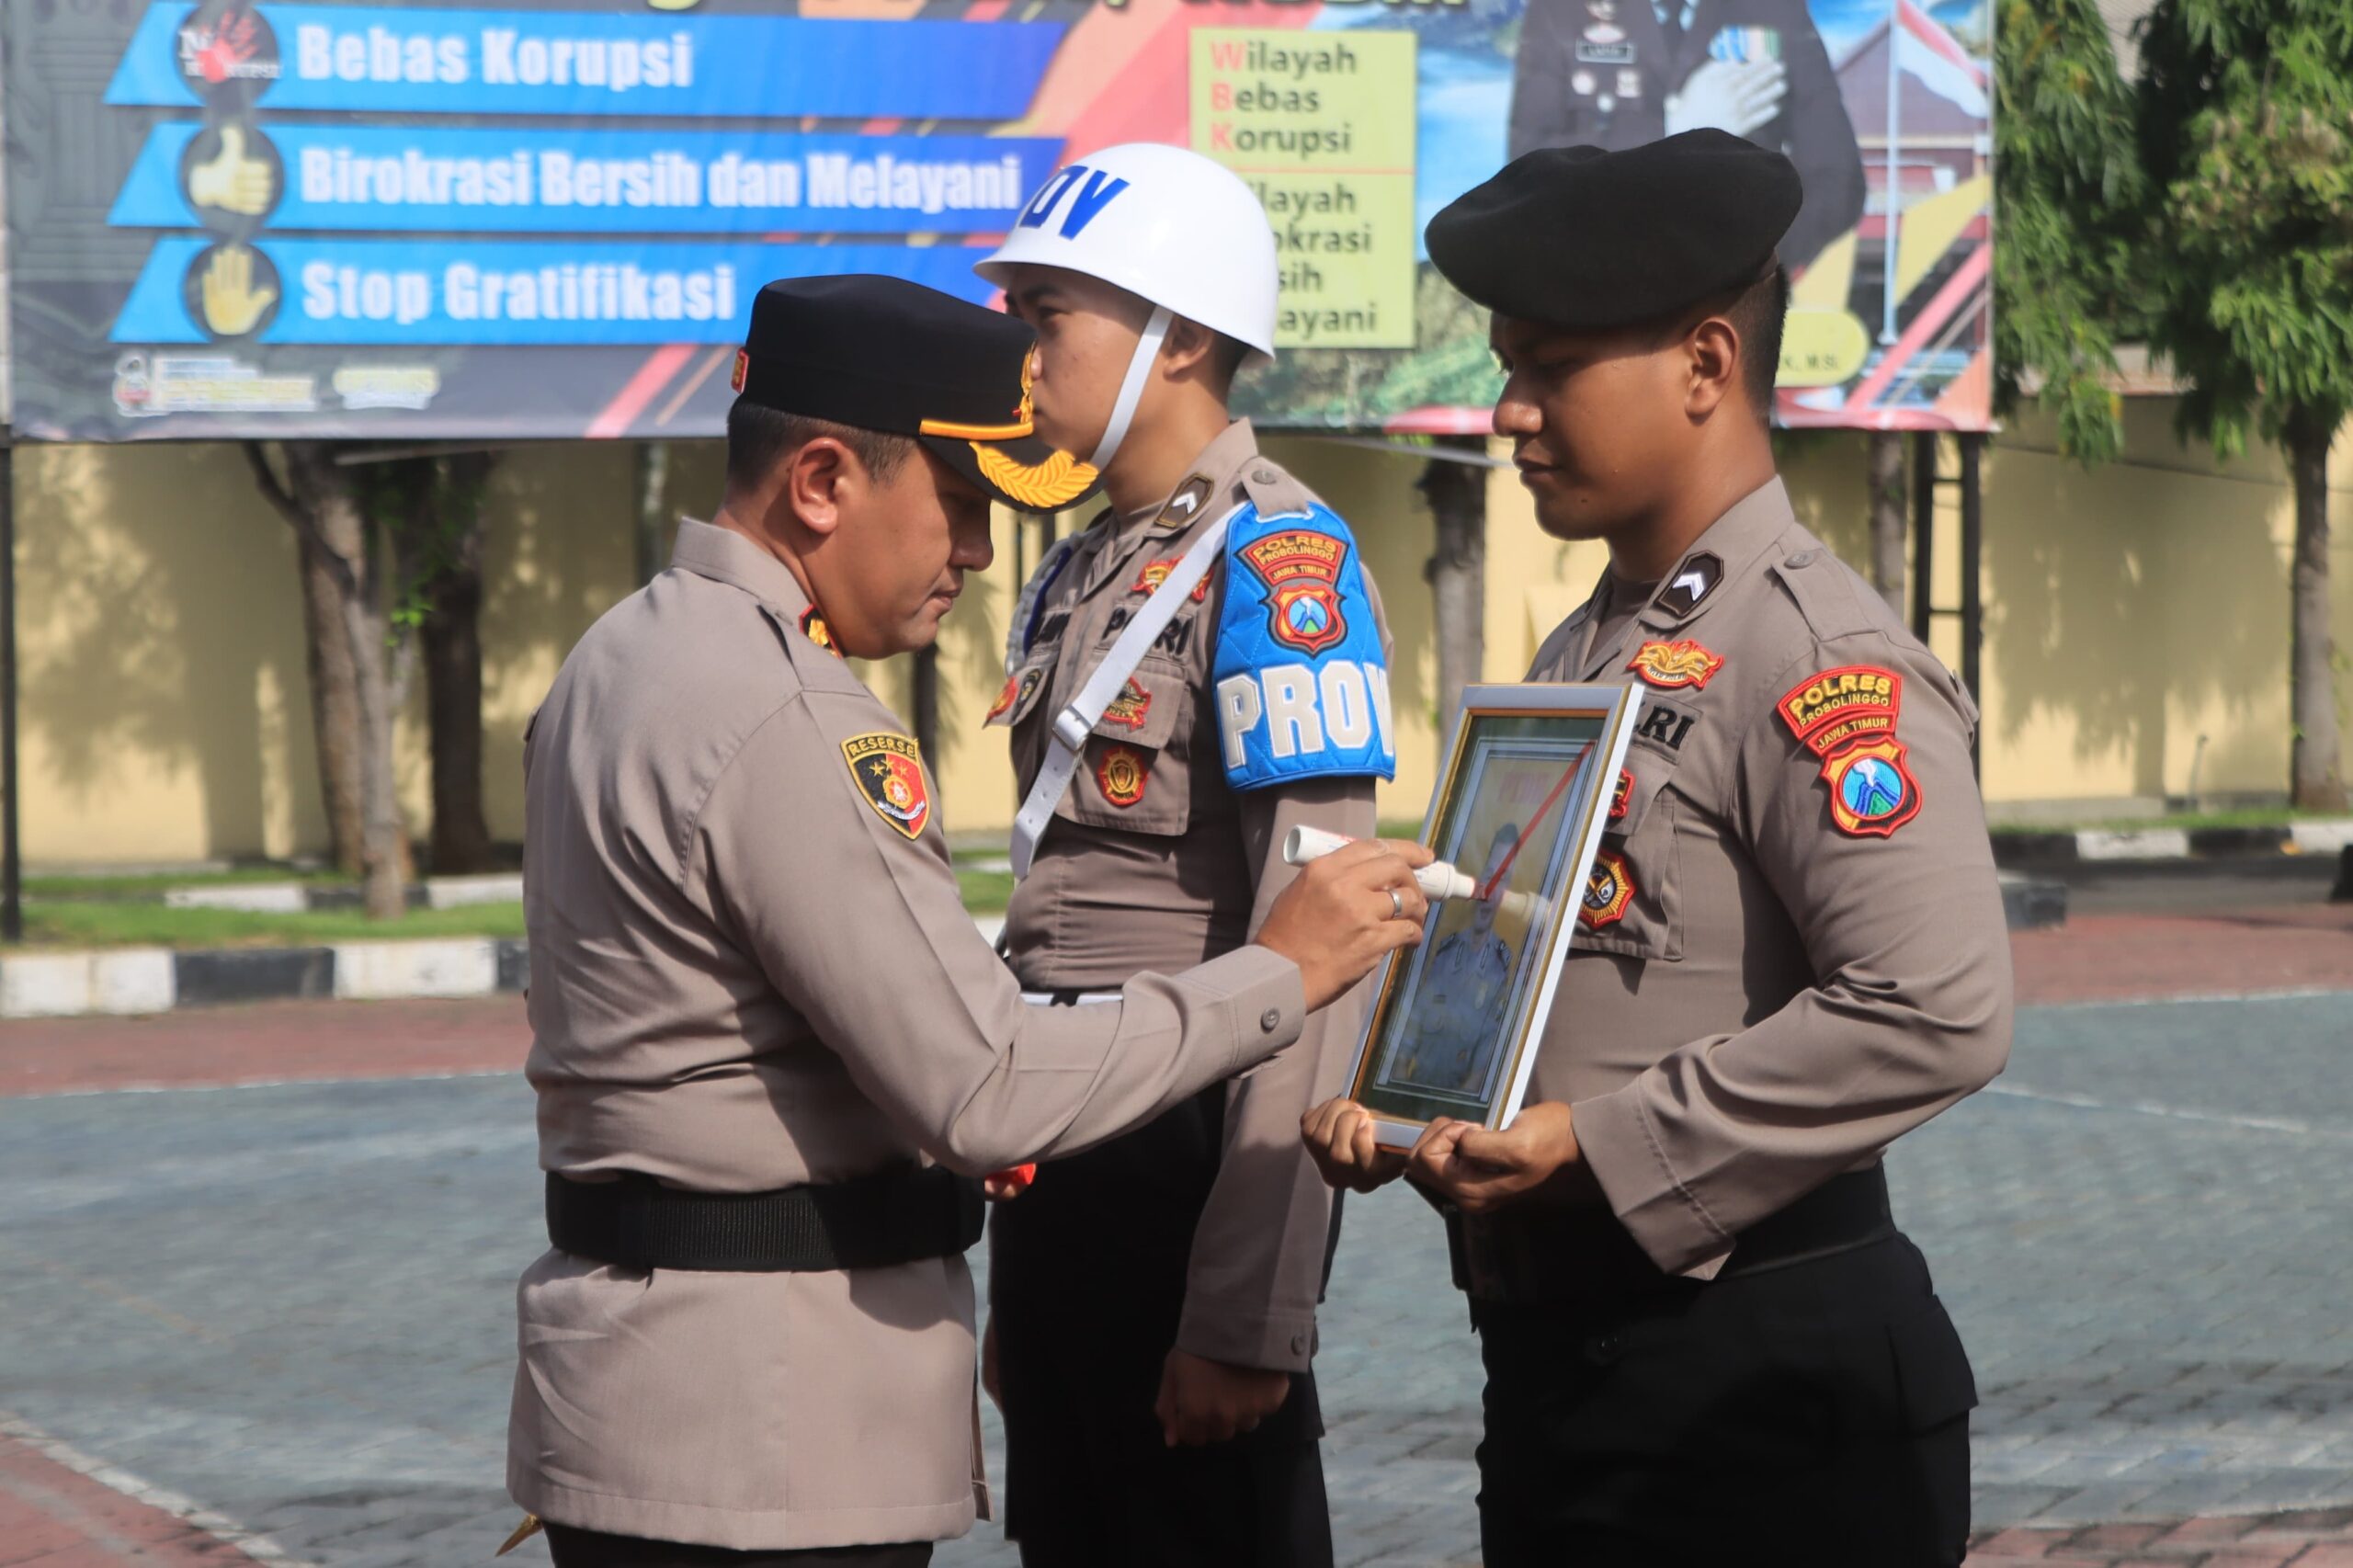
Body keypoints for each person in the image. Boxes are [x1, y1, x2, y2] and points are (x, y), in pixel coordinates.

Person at [503, 273, 1434, 1568]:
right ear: (822, 481)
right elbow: (985, 1080)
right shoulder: (788, 711)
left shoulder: (617, 657)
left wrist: (1239, 1301)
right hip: (771, 1428)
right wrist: (1279, 970)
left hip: (647, 1392)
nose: (980, 552)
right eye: (957, 504)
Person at [1302, 131, 2013, 1567]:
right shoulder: (1591, 648)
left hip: (1762, 1388)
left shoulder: (1813, 655)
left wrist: (1600, 1143)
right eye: (1510, 364)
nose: (1508, 410)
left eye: (1551, 365)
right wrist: (1399, 1103)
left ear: (1705, 365)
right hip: (1574, 1371)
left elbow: (1937, 1005)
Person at [971, 142, 1397, 1568]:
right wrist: (1018, 1295)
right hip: (1063, 1164)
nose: (1021, 351)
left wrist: (1247, 1309)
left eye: (1049, 313)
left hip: (1190, 1170)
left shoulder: (1284, 565)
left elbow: (1320, 946)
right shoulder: (1084, 560)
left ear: (1185, 336)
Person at [1506, 0, 1864, 270]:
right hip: (1602, 301)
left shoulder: (1773, 9)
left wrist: (1742, 264)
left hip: (1728, 313)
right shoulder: (1559, 10)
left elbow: (1839, 183)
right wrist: (1673, 132)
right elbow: (1527, 174)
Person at [1394, 824, 1518, 1092]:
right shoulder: (1445, 950)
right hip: (1412, 1089)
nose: (1491, 890)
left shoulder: (1502, 965)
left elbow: (1484, 1064)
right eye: (1488, 875)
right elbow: (1412, 1022)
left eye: (1503, 880)